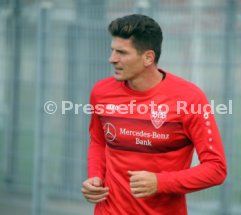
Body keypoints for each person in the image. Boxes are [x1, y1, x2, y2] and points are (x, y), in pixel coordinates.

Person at [81, 14, 227, 215]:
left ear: (148, 57)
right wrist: (95, 177)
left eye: (121, 52)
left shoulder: (189, 99)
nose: (112, 59)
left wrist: (160, 182)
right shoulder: (101, 92)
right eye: (112, 50)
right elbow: (98, 142)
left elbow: (216, 169)